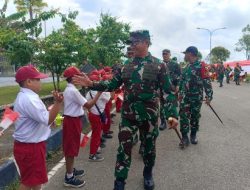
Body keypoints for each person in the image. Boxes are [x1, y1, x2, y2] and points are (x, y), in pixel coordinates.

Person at [72, 30, 178, 190]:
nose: (132, 45)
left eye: (136, 42)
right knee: (124, 149)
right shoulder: (126, 66)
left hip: (149, 115)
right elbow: (112, 85)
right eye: (131, 42)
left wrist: (172, 115)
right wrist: (92, 84)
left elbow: (168, 91)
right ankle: (119, 182)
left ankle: (148, 174)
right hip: (129, 116)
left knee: (149, 149)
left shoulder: (159, 65)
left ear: (147, 43)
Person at [13, 65, 63, 190]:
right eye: (38, 79)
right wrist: (58, 103)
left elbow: (39, 118)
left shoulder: (24, 96)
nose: (41, 82)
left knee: (35, 180)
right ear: (29, 82)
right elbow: (47, 119)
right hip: (31, 148)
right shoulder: (30, 99)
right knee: (28, 182)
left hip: (28, 146)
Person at [63, 66, 102, 188]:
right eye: (79, 76)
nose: (82, 78)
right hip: (72, 121)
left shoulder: (71, 89)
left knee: (72, 147)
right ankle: (69, 177)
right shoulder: (73, 91)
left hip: (72, 120)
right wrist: (99, 94)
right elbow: (88, 105)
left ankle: (70, 170)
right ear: (74, 78)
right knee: (71, 149)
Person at [179, 46, 213, 146]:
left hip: (196, 98)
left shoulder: (202, 66)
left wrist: (209, 96)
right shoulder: (186, 67)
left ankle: (193, 135)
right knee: (183, 116)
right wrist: (180, 93)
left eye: (185, 53)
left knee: (195, 117)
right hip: (185, 97)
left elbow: (207, 82)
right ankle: (184, 137)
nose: (184, 55)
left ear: (190, 54)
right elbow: (182, 81)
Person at [159, 49, 181, 130]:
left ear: (169, 54)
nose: (164, 55)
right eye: (163, 54)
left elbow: (180, 76)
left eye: (166, 54)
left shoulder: (175, 64)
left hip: (172, 89)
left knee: (171, 106)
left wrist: (178, 85)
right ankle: (163, 122)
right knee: (162, 106)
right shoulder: (160, 64)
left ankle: (171, 121)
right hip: (161, 88)